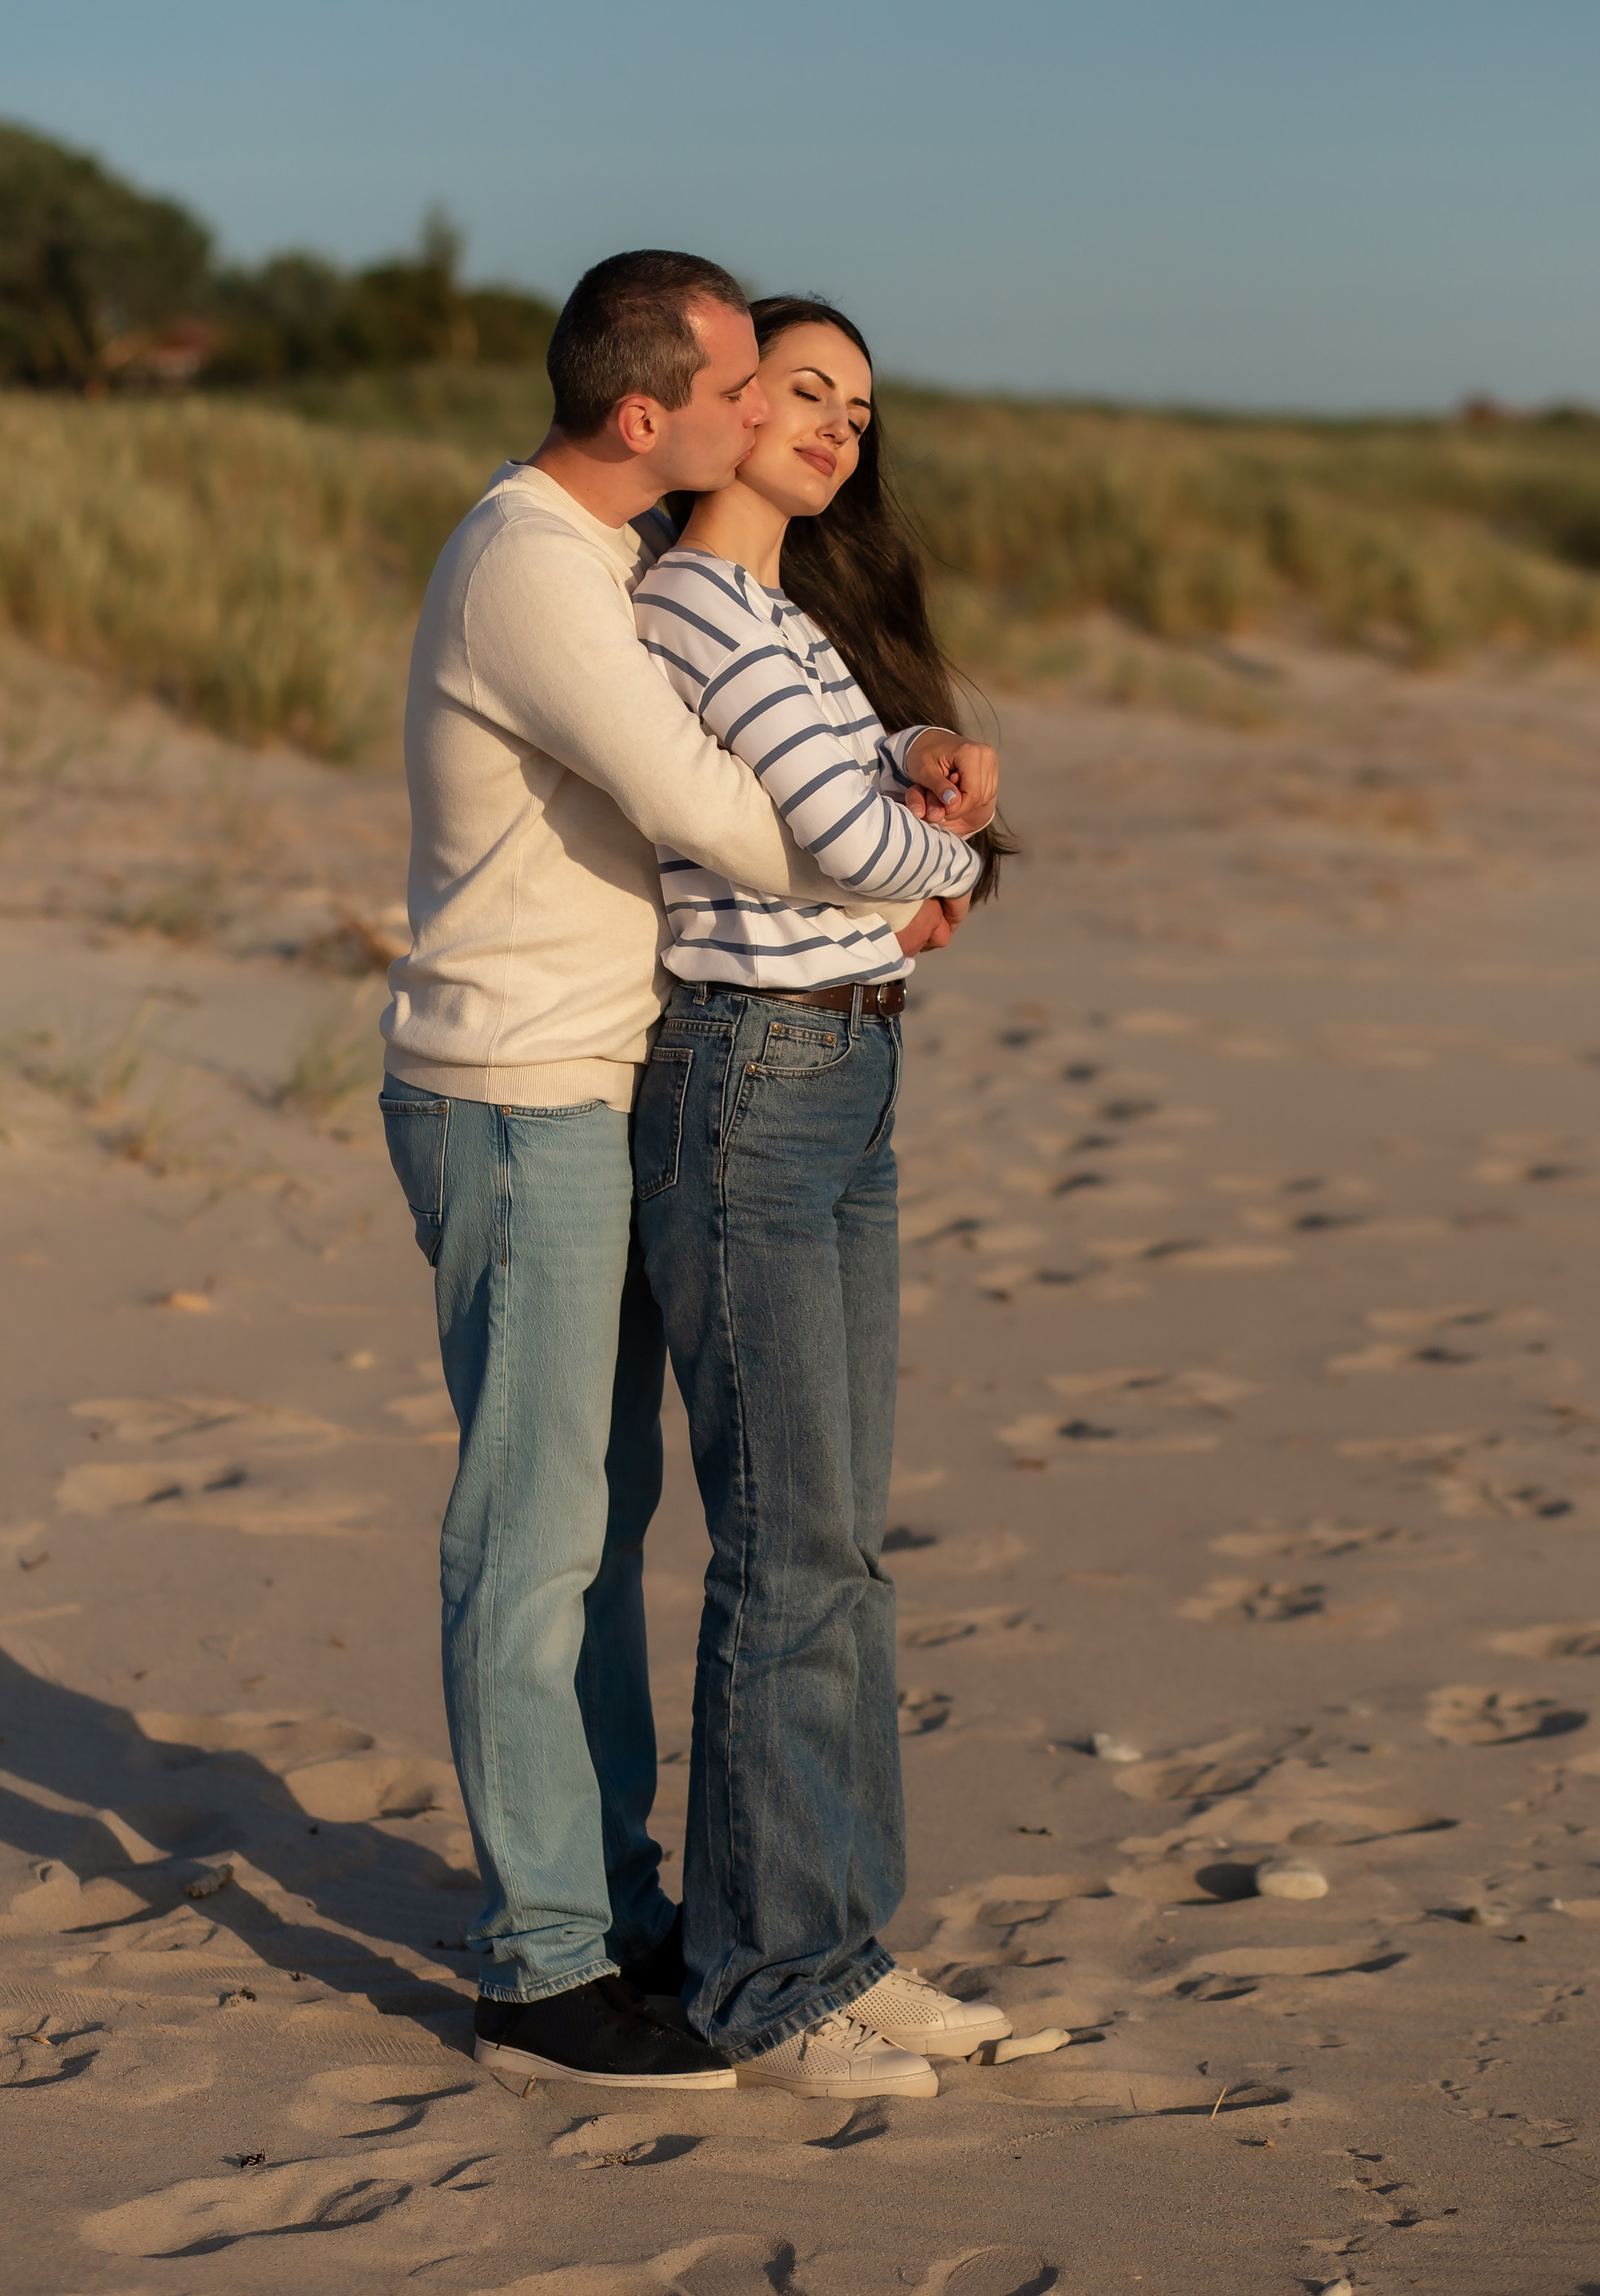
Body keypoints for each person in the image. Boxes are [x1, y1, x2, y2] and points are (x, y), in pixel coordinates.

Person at [377, 250, 968, 2092]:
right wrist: (914, 866)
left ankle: (619, 1912)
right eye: (741, 387)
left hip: (607, 1070)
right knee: (535, 1529)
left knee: (609, 1508)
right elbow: (717, 809)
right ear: (651, 416)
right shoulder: (536, 569)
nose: (770, 419)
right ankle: (542, 1964)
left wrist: (905, 768)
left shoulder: (604, 561)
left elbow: (776, 759)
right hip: (515, 1086)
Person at [630, 294, 1014, 2095]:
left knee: (841, 1542)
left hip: (847, 1069)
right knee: (785, 1545)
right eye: (803, 389)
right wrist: (925, 845)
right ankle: (766, 1980)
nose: (836, 425)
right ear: (723, 400)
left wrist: (922, 780)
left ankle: (837, 1944)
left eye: (858, 406)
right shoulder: (691, 600)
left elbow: (875, 819)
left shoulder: (794, 619)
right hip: (753, 1081)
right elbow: (851, 845)